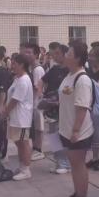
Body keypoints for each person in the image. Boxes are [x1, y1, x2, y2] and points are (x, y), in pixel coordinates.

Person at [59, 41, 94, 197]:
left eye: (69, 53)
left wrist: (75, 130)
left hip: (79, 131)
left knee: (79, 164)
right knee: (74, 164)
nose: (65, 55)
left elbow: (82, 107)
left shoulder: (83, 79)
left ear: (78, 58)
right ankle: (77, 193)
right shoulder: (69, 75)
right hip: (67, 129)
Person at [1, 54, 34, 181]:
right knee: (18, 143)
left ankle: (26, 170)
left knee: (23, 143)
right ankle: (21, 167)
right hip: (15, 117)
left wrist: (5, 112)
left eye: (14, 64)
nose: (12, 66)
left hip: (22, 118)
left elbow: (15, 100)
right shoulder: (17, 79)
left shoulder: (24, 80)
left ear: (21, 65)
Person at [42, 43, 71, 174]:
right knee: (53, 136)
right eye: (53, 53)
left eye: (57, 53)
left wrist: (60, 100)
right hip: (52, 109)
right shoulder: (54, 69)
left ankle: (66, 163)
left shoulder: (70, 71)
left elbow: (71, 90)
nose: (54, 56)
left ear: (65, 54)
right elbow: (42, 80)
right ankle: (59, 162)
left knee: (63, 137)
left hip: (64, 110)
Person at [21, 43, 46, 162]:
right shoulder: (30, 68)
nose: (26, 54)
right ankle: (35, 148)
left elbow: (38, 88)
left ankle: (39, 150)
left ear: (36, 55)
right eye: (25, 52)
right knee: (34, 127)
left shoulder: (38, 69)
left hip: (37, 103)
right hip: (31, 104)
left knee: (39, 128)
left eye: (29, 52)